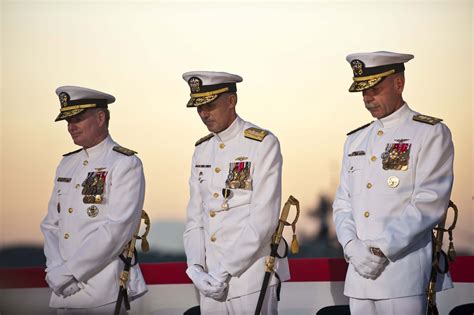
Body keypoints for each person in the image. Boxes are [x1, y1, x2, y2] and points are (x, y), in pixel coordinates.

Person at [332, 51, 454, 315]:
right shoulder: (355, 140)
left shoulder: (429, 132)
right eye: (362, 91)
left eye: (374, 89)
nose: (367, 99)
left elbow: (429, 203)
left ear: (399, 84)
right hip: (359, 277)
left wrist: (380, 250)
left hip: (402, 274)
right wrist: (352, 247)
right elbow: (343, 203)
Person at [182, 71, 290, 314]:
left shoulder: (262, 143)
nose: (203, 113)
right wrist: (196, 268)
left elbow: (263, 220)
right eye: (199, 107)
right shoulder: (202, 150)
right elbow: (195, 219)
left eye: (210, 105)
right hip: (210, 282)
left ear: (231, 101)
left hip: (250, 277)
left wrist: (224, 270)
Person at [40, 86, 147, 314]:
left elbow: (117, 230)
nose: (71, 126)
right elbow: (51, 225)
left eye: (78, 118)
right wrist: (55, 270)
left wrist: (69, 273)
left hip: (103, 289)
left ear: (100, 118)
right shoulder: (67, 164)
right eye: (68, 120)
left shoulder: (125, 163)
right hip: (63, 291)